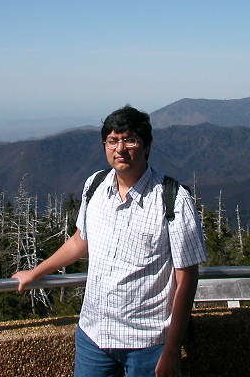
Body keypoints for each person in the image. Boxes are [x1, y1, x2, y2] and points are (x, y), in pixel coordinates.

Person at [12, 105, 206, 377]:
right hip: (94, 336)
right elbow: (81, 240)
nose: (120, 148)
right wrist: (36, 272)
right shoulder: (95, 185)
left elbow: (186, 277)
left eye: (130, 140)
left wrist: (172, 350)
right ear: (105, 145)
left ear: (147, 146)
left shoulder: (172, 198)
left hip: (148, 343)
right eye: (113, 140)